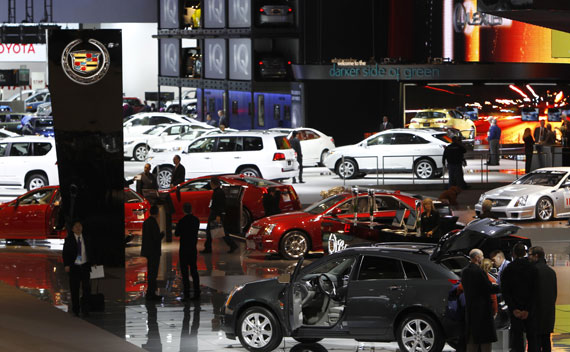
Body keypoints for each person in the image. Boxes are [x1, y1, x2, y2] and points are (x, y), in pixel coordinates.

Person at [501, 243, 539, 352]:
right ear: (525, 253)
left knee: (517, 339)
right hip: (530, 310)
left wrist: (514, 309)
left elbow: (505, 291)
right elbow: (535, 291)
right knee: (532, 338)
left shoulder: (508, 269)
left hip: (515, 310)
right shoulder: (533, 268)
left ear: (513, 253)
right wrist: (527, 309)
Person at [461, 248, 500, 352]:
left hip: (470, 309)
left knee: (472, 340)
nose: (483, 258)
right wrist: (501, 287)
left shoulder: (464, 271)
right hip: (482, 311)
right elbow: (488, 288)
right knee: (485, 341)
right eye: (482, 256)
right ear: (477, 257)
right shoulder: (479, 272)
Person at [62, 220, 93, 317]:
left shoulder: (86, 238)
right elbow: (65, 253)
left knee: (86, 288)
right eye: (76, 226)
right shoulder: (69, 240)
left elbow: (91, 250)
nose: (78, 228)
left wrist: (93, 262)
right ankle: (76, 308)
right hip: (74, 266)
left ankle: (86, 309)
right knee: (74, 289)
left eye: (80, 226)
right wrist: (66, 265)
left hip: (84, 265)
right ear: (72, 229)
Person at [529, 246, 557, 352]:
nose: (528, 257)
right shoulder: (551, 272)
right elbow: (554, 294)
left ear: (536, 256)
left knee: (535, 343)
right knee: (546, 342)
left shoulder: (532, 270)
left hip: (535, 314)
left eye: (530, 255)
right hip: (548, 314)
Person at [202, 177, 238, 254]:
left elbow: (220, 205)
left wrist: (218, 215)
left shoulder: (218, 193)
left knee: (218, 231)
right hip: (215, 214)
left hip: (215, 214)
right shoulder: (218, 191)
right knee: (215, 231)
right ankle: (208, 247)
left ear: (213, 183)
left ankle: (232, 245)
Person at [175, 203, 201, 301]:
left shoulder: (182, 221)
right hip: (192, 248)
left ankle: (186, 293)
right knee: (194, 270)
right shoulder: (196, 220)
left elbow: (177, 233)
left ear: (183, 210)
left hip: (184, 248)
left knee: (185, 272)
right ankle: (197, 292)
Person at [141, 205, 165, 300]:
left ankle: (149, 293)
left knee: (150, 272)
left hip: (147, 251)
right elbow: (156, 238)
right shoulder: (153, 223)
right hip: (154, 252)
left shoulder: (146, 222)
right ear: (157, 213)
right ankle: (151, 293)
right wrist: (162, 235)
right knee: (153, 273)